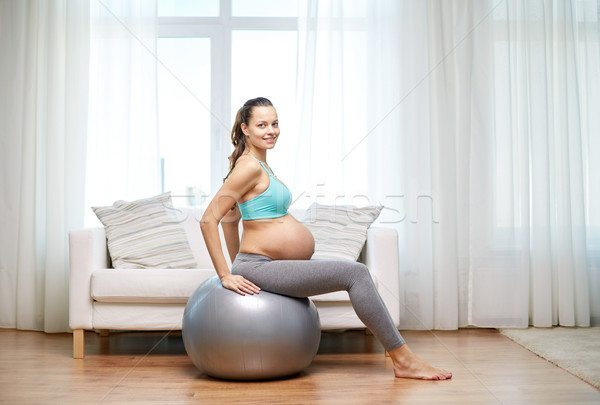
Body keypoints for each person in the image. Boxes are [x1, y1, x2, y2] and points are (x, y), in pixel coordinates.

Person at [200, 97, 452, 380]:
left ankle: (403, 358)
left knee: (354, 273)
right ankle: (404, 360)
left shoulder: (259, 164)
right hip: (259, 266)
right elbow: (210, 218)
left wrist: (237, 263)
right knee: (355, 273)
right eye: (262, 125)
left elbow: (232, 218)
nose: (271, 130)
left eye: (275, 123)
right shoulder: (249, 167)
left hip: (259, 264)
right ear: (245, 129)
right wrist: (227, 274)